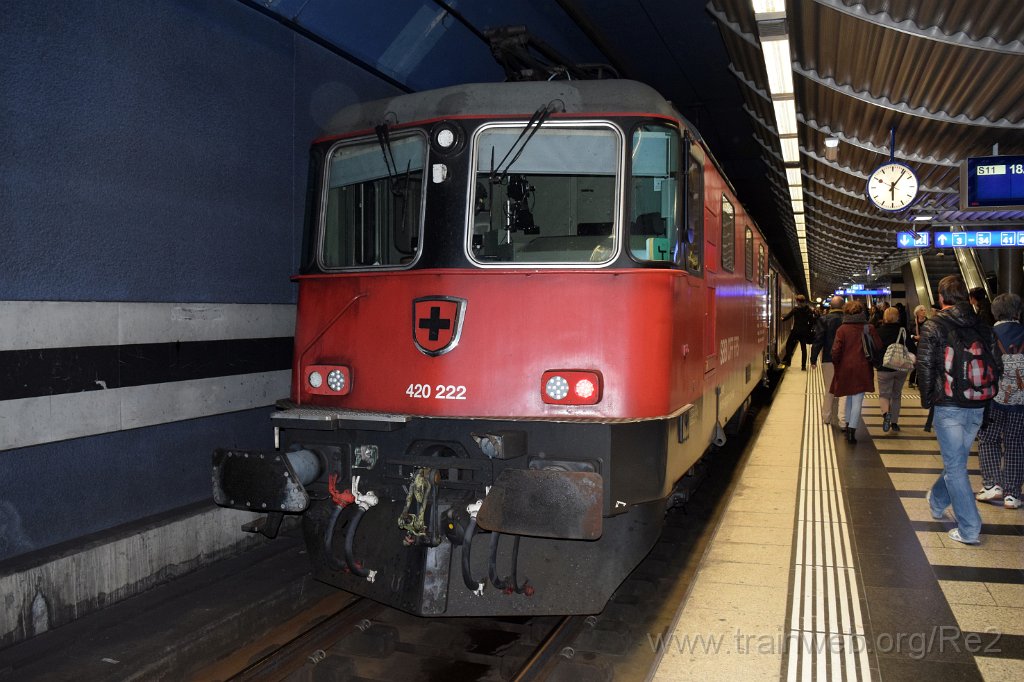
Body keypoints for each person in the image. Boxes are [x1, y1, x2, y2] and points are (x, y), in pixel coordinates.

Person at [917, 275, 997, 545]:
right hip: (977, 402)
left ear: (941, 298)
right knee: (957, 462)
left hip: (949, 402)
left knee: (955, 467)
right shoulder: (983, 325)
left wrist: (929, 400)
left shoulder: (934, 325)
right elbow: (995, 364)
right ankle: (938, 501)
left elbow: (925, 366)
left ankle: (970, 528)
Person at [975, 293, 1024, 509]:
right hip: (1021, 402)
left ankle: (992, 484)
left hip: (992, 398)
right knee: (1016, 443)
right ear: (1018, 312)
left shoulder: (988, 335)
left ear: (995, 313)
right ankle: (1012, 494)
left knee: (988, 439)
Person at [831, 300, 882, 444]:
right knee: (857, 401)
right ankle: (852, 432)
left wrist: (837, 363)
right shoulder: (869, 327)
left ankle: (847, 427)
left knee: (847, 398)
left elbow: (836, 351)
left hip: (845, 368)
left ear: (846, 312)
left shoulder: (842, 329)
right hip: (863, 368)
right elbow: (878, 345)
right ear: (861, 312)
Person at [810, 295, 846, 426]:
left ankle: (826, 417)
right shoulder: (847, 320)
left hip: (828, 358)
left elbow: (818, 340)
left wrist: (813, 359)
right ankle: (843, 421)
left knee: (829, 389)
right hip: (845, 360)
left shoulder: (824, 319)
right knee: (844, 390)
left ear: (830, 306)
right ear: (843, 306)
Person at [876, 306, 910, 433]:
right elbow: (911, 348)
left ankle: (886, 415)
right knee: (896, 395)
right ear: (898, 317)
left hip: (884, 368)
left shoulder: (879, 331)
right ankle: (895, 423)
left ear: (884, 317)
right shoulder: (903, 330)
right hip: (901, 368)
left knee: (884, 395)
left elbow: (875, 349)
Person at [781, 294, 816, 370]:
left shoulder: (796, 309)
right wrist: (808, 329)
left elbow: (787, 317)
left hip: (796, 331)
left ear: (798, 301)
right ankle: (803, 366)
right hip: (804, 331)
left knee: (788, 344)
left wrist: (782, 318)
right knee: (803, 348)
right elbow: (812, 322)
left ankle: (788, 361)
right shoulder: (809, 310)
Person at [908, 304, 929, 388]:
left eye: (924, 310)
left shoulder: (928, 322)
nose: (924, 311)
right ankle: (912, 380)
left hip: (924, 345)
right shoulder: (913, 322)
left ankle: (919, 382)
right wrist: (914, 337)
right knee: (915, 363)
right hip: (914, 345)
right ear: (917, 312)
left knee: (922, 364)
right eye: (922, 310)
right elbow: (909, 333)